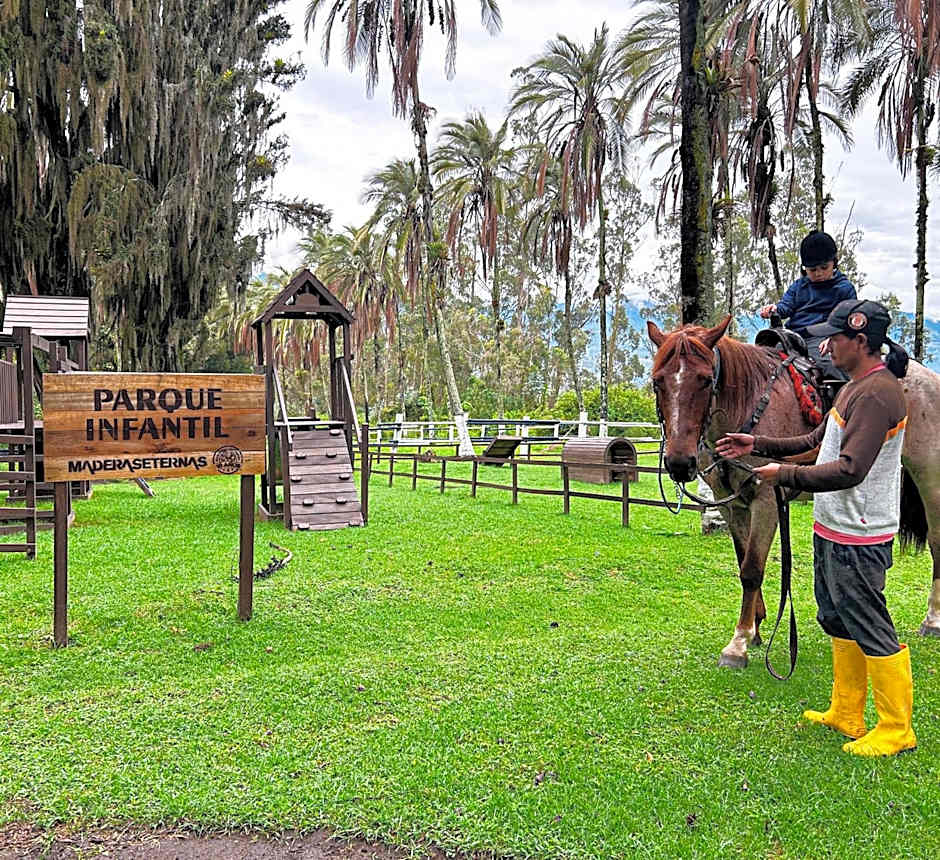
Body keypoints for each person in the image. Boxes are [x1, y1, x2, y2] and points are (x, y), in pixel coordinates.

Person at [715, 299, 916, 758]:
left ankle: (896, 726)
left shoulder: (877, 395)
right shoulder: (853, 387)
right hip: (834, 526)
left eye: (836, 337)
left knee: (868, 622)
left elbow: (849, 469)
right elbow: (815, 441)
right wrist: (758, 442)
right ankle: (847, 710)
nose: (826, 344)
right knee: (835, 614)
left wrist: (782, 475)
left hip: (860, 532)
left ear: (860, 342)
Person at [759, 230, 857, 378]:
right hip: (792, 338)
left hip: (822, 340)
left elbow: (848, 322)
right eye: (812, 270)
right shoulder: (799, 286)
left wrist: (833, 339)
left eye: (824, 268)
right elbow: (786, 306)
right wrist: (775, 308)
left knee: (830, 366)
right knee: (763, 361)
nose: (818, 273)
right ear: (804, 268)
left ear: (834, 263)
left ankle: (842, 399)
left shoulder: (844, 289)